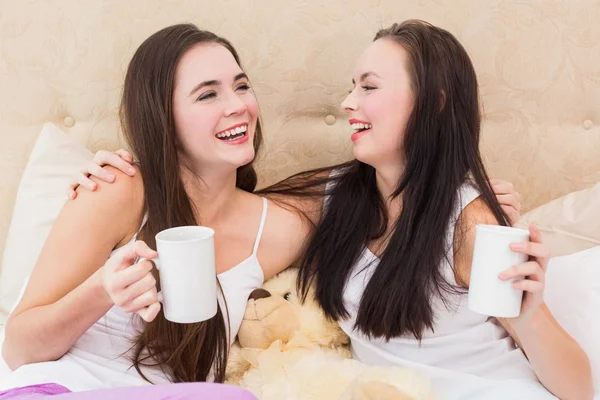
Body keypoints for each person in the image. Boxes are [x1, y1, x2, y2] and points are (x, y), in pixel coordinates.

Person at [73, 21, 593, 399]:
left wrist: (530, 312)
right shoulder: (341, 198)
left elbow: (576, 387)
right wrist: (127, 170)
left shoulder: (471, 225)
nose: (348, 102)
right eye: (351, 87)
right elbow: (222, 203)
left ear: (432, 104)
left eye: (368, 87)